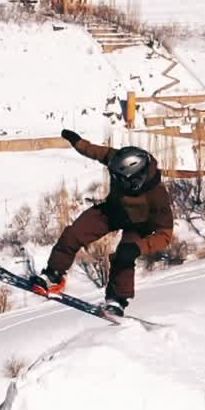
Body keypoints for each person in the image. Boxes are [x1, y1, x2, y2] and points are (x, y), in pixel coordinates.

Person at [30, 128, 174, 316]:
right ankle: (53, 275)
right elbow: (96, 152)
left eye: (119, 179)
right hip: (114, 210)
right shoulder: (118, 161)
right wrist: (77, 142)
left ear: (135, 181)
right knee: (74, 233)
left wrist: (140, 247)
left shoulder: (157, 196)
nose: (115, 180)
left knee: (124, 254)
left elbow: (165, 234)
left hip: (139, 226)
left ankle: (116, 301)